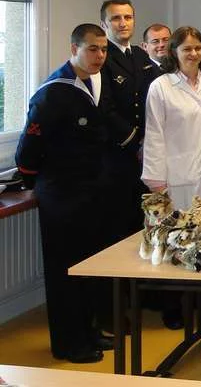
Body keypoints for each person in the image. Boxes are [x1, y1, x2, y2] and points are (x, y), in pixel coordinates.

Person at [16, 24, 115, 364]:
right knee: (65, 273)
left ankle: (88, 332)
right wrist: (37, 183)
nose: (99, 56)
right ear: (74, 48)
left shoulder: (88, 83)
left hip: (89, 193)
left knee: (87, 268)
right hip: (63, 196)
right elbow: (26, 154)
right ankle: (69, 343)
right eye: (92, 49)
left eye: (103, 49)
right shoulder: (54, 91)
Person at [141, 26, 201, 329]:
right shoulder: (161, 87)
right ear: (173, 52)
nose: (193, 54)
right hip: (175, 176)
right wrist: (156, 182)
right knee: (177, 239)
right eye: (186, 49)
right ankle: (172, 305)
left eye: (198, 48)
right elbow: (154, 135)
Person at [99, 0, 159, 246]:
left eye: (128, 17)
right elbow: (105, 108)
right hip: (120, 154)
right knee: (121, 227)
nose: (123, 23)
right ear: (104, 24)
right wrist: (136, 142)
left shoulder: (141, 55)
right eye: (116, 18)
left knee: (144, 224)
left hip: (147, 154)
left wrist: (151, 142)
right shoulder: (102, 57)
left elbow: (153, 101)